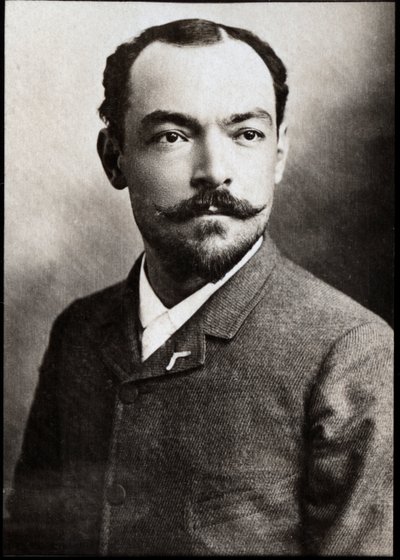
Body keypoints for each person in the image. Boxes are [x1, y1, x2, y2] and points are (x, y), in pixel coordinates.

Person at [5, 18, 393, 556]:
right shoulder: (78, 330)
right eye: (172, 136)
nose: (214, 171)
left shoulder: (353, 354)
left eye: (247, 135)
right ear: (114, 157)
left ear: (278, 155)